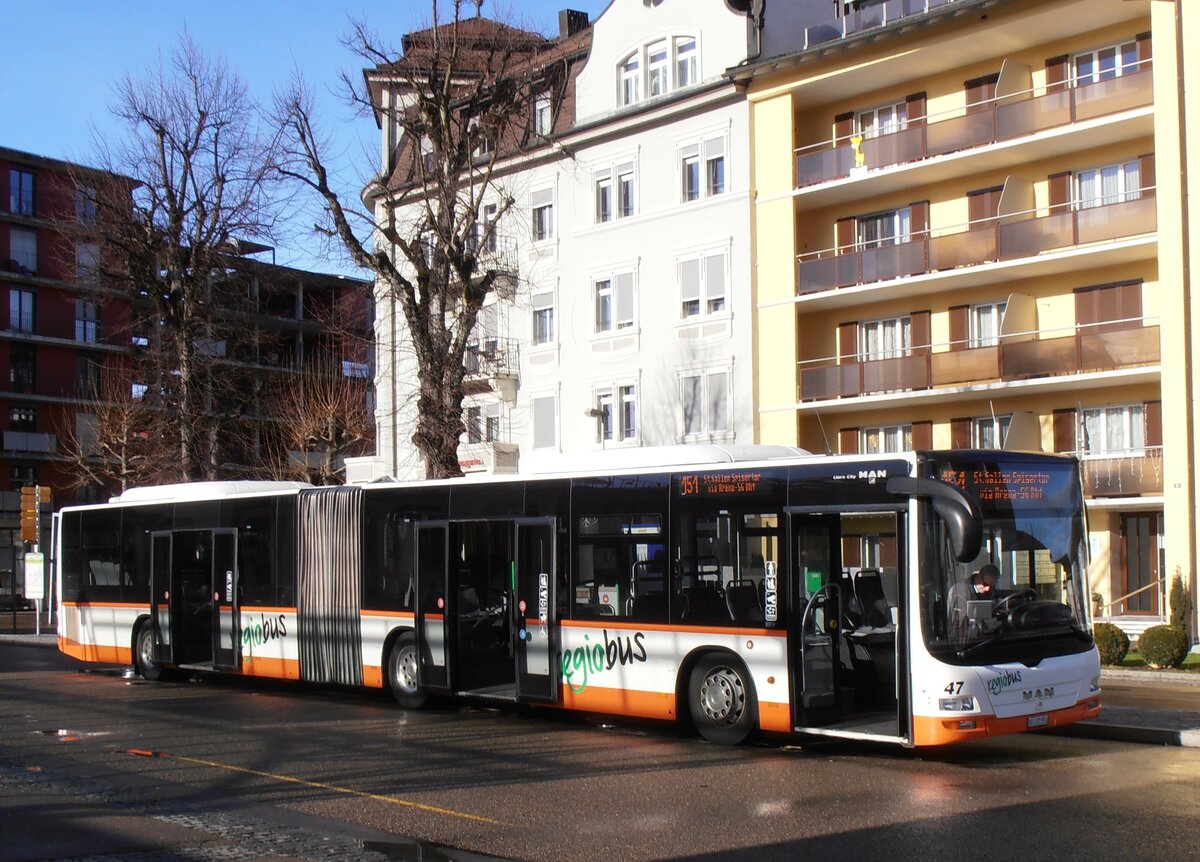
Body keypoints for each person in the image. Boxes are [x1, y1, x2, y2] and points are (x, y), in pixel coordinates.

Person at [949, 563, 999, 635]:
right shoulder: (958, 591)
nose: (987, 589)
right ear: (979, 576)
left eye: (991, 586)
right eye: (985, 584)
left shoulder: (989, 594)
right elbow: (956, 623)